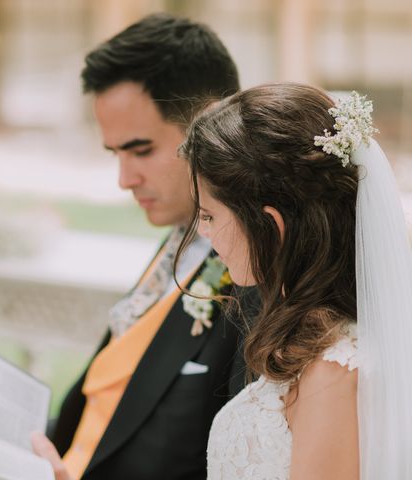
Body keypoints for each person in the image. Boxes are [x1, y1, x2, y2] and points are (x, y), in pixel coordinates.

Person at [31, 13, 256, 480]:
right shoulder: (182, 235)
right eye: (115, 154)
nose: (124, 180)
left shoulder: (261, 280)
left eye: (141, 151)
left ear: (212, 123)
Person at [179, 83, 412, 478]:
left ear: (271, 226)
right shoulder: (314, 344)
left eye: (210, 216)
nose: (203, 232)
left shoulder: (334, 372)